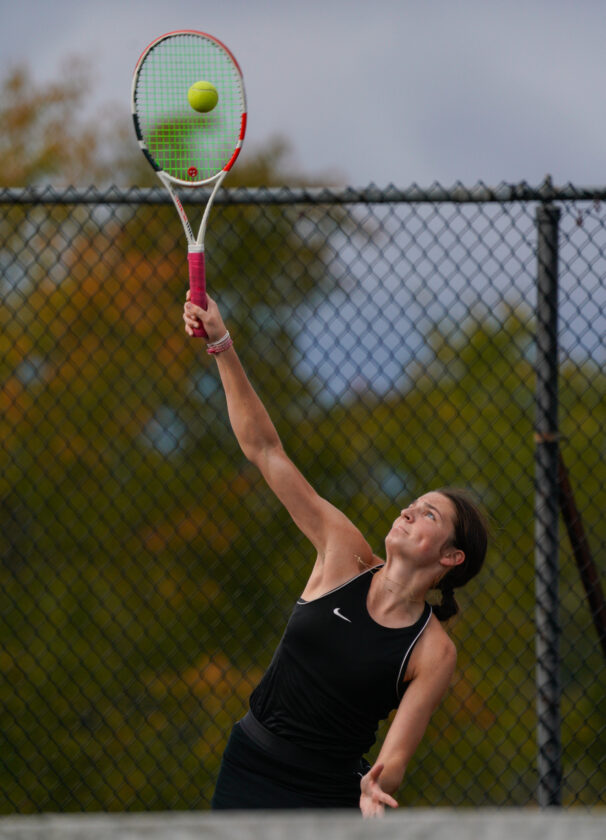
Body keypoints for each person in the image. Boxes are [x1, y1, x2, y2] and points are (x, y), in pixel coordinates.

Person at [183, 293, 488, 817]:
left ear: (452, 558)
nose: (409, 512)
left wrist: (376, 787)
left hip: (328, 798)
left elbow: (394, 756)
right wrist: (222, 343)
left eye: (429, 516)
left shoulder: (433, 651)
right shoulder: (343, 552)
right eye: (413, 505)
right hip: (250, 768)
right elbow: (265, 450)